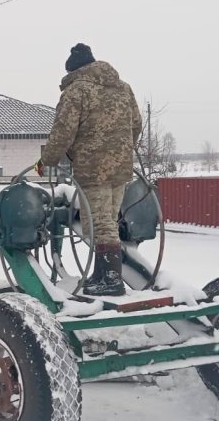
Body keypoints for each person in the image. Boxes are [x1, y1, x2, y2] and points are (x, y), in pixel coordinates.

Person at [38, 43, 142, 296]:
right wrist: (120, 152)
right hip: (121, 168)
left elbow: (62, 133)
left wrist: (46, 161)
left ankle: (110, 279)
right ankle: (101, 275)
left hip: (92, 168)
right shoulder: (123, 89)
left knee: (98, 223)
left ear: (73, 69)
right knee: (109, 218)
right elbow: (136, 125)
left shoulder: (77, 91)